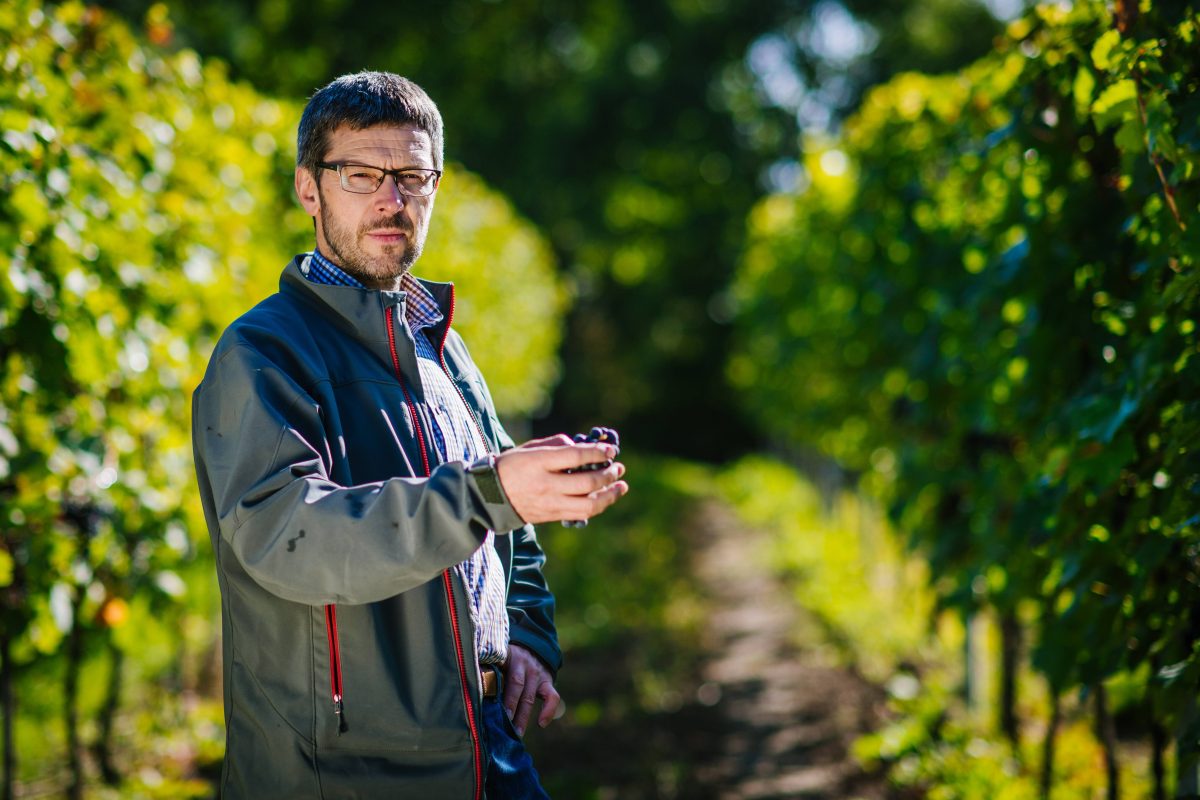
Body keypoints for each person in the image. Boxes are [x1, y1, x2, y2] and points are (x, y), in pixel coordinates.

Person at [191, 71, 629, 799]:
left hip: (488, 750)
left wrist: (526, 639)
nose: (392, 200)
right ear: (310, 189)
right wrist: (488, 494)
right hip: (342, 774)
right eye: (362, 174)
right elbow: (287, 537)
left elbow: (507, 533)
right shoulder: (264, 353)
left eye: (413, 177)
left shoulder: (444, 349)